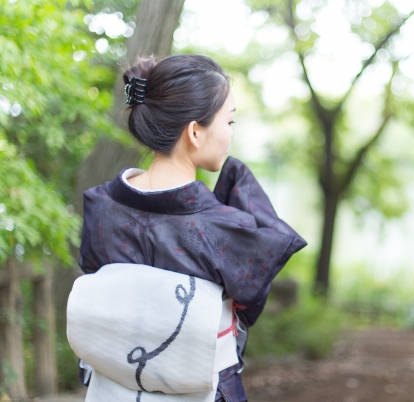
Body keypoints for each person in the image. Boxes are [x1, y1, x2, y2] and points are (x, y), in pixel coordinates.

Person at [72, 54, 307, 401]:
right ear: (195, 132)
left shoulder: (100, 208)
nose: (230, 134)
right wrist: (235, 184)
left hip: (111, 390)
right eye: (229, 122)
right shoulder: (223, 227)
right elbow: (250, 300)